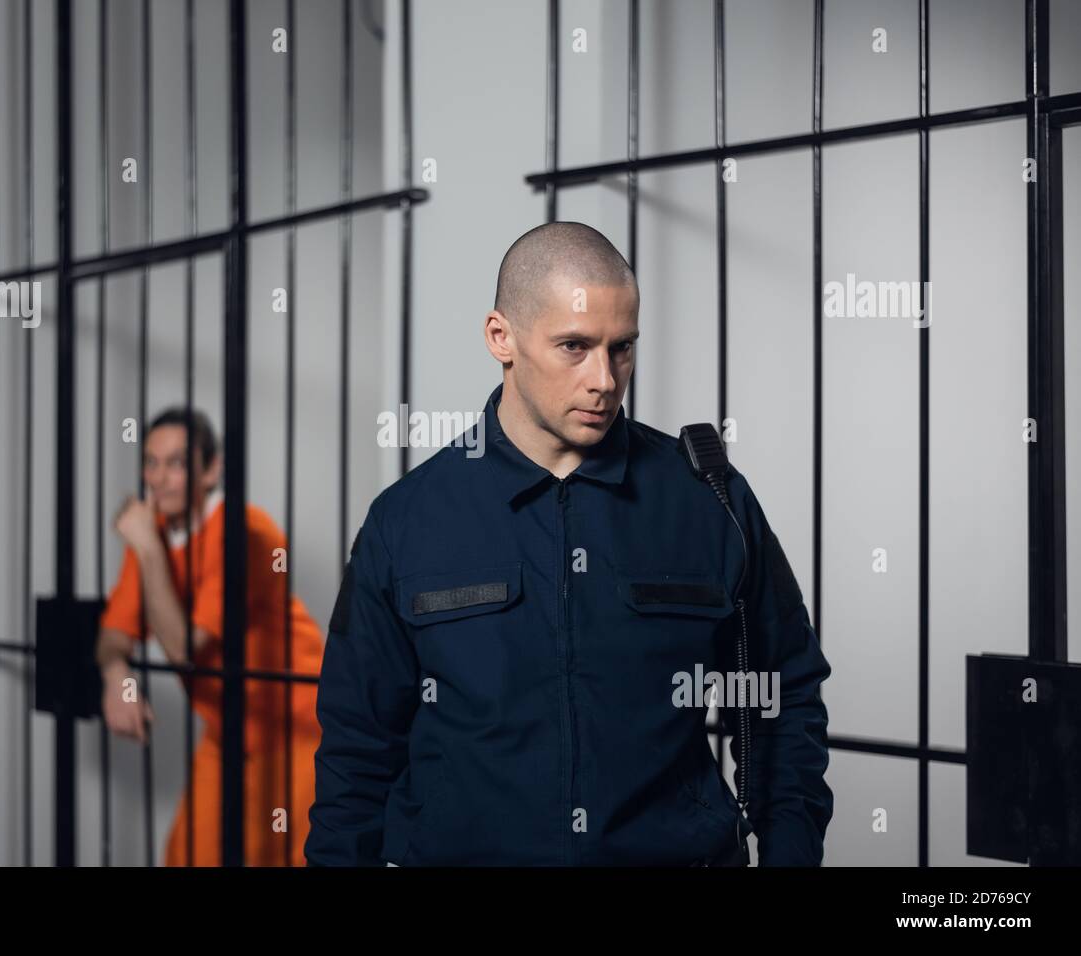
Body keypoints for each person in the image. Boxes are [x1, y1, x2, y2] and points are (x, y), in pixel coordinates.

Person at [306, 221, 833, 866]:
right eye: (574, 347)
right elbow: (357, 752)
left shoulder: (709, 501)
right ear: (501, 337)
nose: (605, 380)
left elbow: (785, 694)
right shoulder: (406, 521)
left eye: (622, 348)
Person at [97, 406, 324, 866]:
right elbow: (113, 636)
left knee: (298, 857)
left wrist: (143, 546)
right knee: (187, 856)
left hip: (300, 726)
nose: (159, 479)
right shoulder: (155, 534)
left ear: (212, 469)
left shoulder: (244, 531)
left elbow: (184, 648)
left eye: (177, 463)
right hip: (230, 731)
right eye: (151, 463)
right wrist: (117, 676)